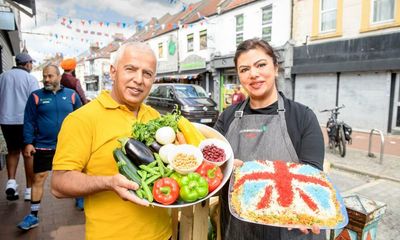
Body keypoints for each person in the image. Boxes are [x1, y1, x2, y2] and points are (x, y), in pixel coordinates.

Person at [51, 42, 172, 240]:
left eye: (147, 73)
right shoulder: (81, 119)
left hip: (164, 234)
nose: (139, 80)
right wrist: (108, 182)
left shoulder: (156, 118)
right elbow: (58, 183)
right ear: (113, 72)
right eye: (130, 69)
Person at [214, 38, 325, 240]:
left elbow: (313, 177)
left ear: (275, 68)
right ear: (239, 76)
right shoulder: (227, 117)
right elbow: (213, 169)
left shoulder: (302, 117)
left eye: (261, 65)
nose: (253, 74)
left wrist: (304, 209)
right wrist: (225, 169)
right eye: (244, 69)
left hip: (289, 227)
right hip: (238, 229)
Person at [17, 64, 82, 230]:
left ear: (59, 77)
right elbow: (29, 121)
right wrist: (28, 142)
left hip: (68, 145)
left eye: (50, 76)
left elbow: (82, 119)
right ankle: (33, 215)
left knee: (75, 174)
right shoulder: (36, 96)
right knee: (38, 179)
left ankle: (79, 196)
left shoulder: (72, 95)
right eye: (45, 76)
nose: (46, 79)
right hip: (44, 146)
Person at [0, 52, 39, 201]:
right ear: (27, 63)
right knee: (28, 153)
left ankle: (11, 182)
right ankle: (29, 189)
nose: (31, 65)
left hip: (6, 121)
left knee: (12, 151)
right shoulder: (30, 79)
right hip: (25, 121)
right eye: (31, 63)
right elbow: (35, 102)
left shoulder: (2, 77)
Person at [60, 57, 88, 210]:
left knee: (69, 158)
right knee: (79, 160)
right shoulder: (74, 81)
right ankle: (79, 197)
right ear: (73, 68)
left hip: (62, 121)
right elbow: (82, 99)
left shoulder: (60, 80)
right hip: (76, 120)